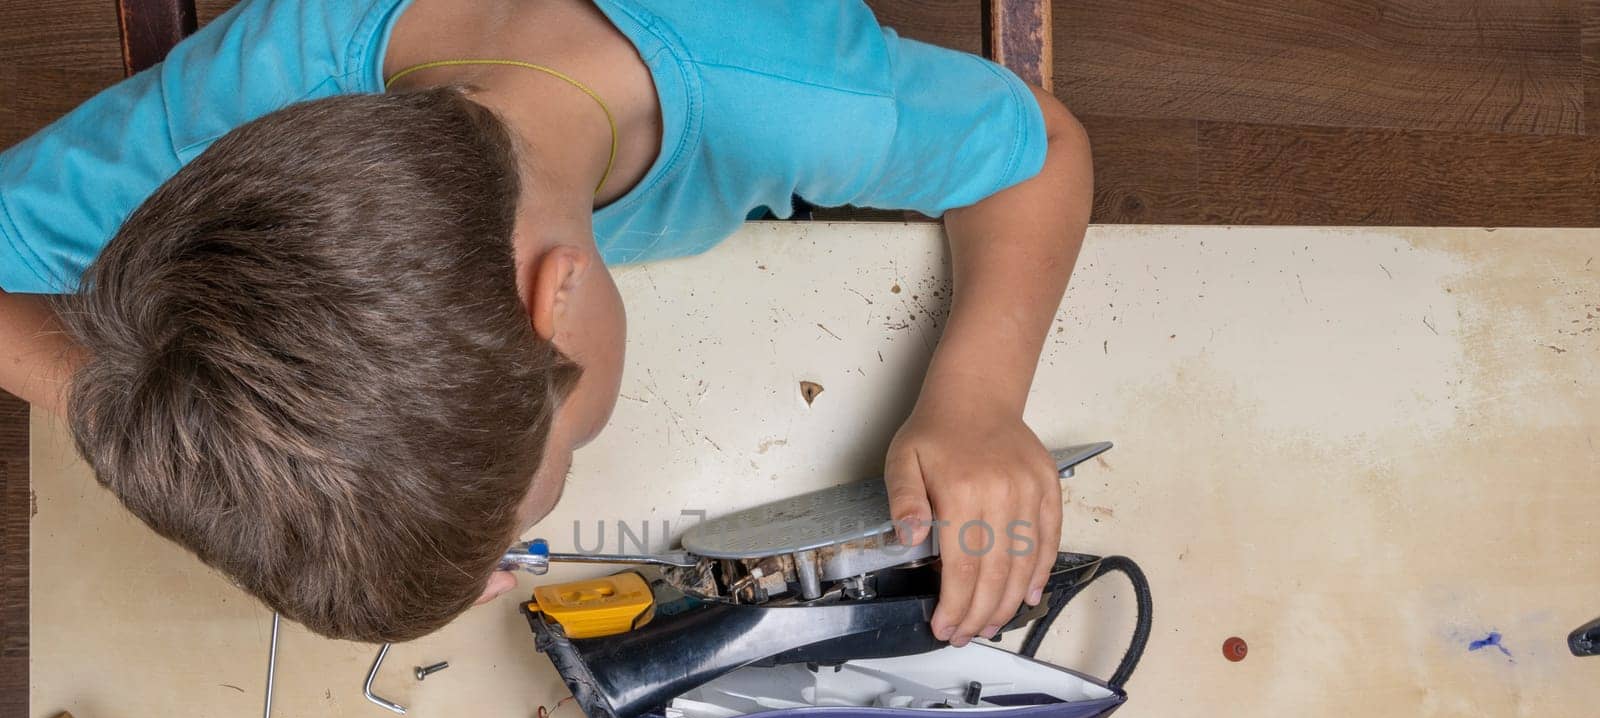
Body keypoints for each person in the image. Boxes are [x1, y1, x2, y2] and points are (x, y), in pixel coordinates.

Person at [0, 0, 1093, 645]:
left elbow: (1036, 151)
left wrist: (979, 394)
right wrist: (136, 408)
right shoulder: (226, 116)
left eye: (552, 465)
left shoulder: (795, 94)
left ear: (553, 299)